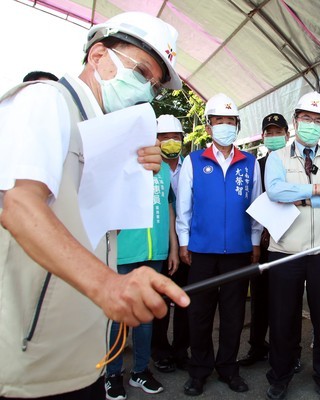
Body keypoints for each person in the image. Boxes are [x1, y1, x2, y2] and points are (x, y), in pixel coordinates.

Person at [0, 11, 188, 399]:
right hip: (31, 361)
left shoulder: (102, 130)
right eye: (141, 72)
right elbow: (19, 206)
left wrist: (128, 173)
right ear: (98, 54)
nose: (145, 90)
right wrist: (109, 285)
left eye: (153, 86)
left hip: (81, 354)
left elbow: (91, 225)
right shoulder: (47, 100)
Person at [264, 91, 320, 400]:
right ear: (296, 121)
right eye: (307, 119)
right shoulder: (277, 158)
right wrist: (316, 190)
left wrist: (299, 195)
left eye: (318, 120)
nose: (312, 125)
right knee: (283, 319)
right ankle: (280, 375)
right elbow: (275, 191)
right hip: (285, 251)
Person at [176, 93, 262, 396]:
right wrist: (185, 243)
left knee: (234, 314)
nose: (224, 125)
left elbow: (255, 208)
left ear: (237, 126)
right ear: (209, 126)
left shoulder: (249, 162)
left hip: (238, 253)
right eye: (218, 121)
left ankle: (228, 368)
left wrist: (254, 244)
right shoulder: (193, 161)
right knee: (199, 313)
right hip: (201, 251)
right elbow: (184, 207)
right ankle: (199, 370)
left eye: (230, 121)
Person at [105, 139, 180, 398]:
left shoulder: (165, 169)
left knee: (146, 316)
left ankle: (139, 371)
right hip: (124, 251)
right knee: (118, 315)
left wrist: (172, 247)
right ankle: (112, 373)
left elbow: (169, 208)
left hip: (155, 251)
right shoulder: (119, 164)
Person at [238, 112, 294, 368]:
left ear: (287, 134)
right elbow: (251, 201)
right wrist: (258, 232)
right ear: (262, 136)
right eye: (268, 133)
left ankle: (289, 352)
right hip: (260, 242)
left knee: (286, 300)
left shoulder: (295, 163)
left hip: (289, 239)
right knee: (259, 298)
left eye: (278, 132)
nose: (273, 137)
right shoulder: (255, 165)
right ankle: (257, 347)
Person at [151, 114, 191, 373]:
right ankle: (160, 350)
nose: (170, 142)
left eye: (175, 137)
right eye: (164, 137)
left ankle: (181, 350)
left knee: (185, 299)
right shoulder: (151, 170)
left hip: (187, 244)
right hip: (160, 243)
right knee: (160, 301)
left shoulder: (190, 166)